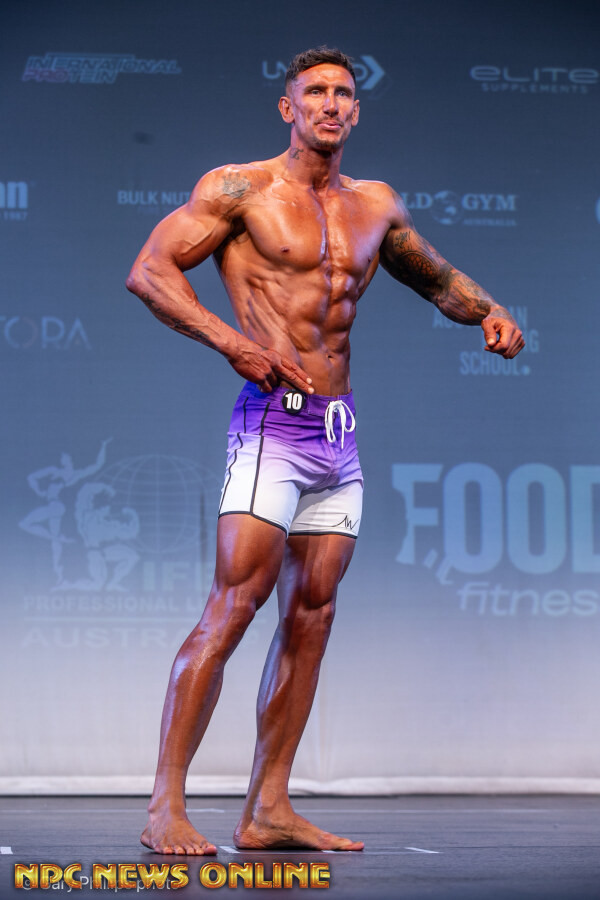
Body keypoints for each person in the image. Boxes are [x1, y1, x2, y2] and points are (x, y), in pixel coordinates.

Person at [126, 46, 524, 855]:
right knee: (234, 607)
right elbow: (151, 272)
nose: (331, 104)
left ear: (356, 110)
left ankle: (267, 809)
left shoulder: (375, 204)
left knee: (312, 615)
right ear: (289, 108)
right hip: (272, 424)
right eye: (315, 92)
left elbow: (436, 278)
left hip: (338, 434)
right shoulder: (239, 188)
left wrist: (489, 309)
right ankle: (165, 807)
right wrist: (233, 343)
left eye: (344, 93)